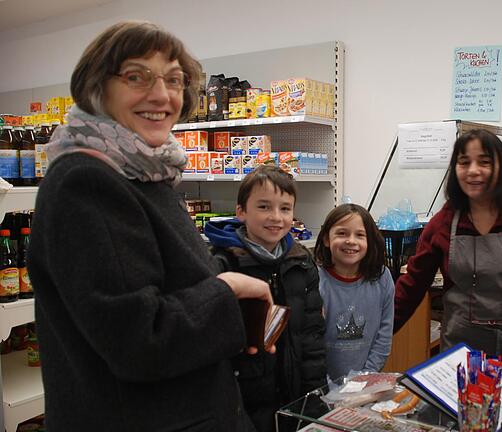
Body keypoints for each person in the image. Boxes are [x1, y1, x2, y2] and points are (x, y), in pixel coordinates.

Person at [27, 21, 271, 431]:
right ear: (96, 88)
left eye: (174, 79)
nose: (161, 95)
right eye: (136, 76)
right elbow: (140, 339)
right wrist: (226, 291)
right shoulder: (85, 182)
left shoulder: (145, 173)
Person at [395, 129, 502, 389]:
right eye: (464, 162)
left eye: (484, 161)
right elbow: (412, 285)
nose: (473, 170)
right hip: (463, 351)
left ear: (501, 167)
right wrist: (377, 334)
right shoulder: (443, 224)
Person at [205, 166, 326, 431]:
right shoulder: (222, 264)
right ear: (241, 211)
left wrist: (315, 398)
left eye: (285, 209)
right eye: (263, 207)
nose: (276, 217)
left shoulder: (301, 262)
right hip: (242, 399)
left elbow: (312, 336)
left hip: (294, 395)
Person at [314, 204, 394, 380]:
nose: (351, 241)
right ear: (327, 239)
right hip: (320, 384)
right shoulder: (315, 280)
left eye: (360, 235)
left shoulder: (382, 278)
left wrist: (364, 378)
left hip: (365, 382)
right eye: (342, 233)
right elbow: (311, 344)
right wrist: (326, 388)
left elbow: (384, 335)